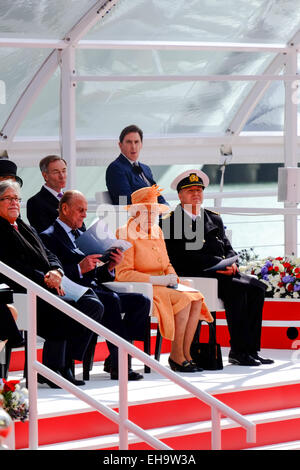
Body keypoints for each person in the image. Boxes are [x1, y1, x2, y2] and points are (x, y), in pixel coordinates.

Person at [160, 169, 274, 366]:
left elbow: (227, 248)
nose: (196, 194)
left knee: (257, 288)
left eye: (199, 190)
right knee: (237, 290)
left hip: (222, 272)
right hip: (195, 276)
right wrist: (216, 265)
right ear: (180, 195)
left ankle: (251, 349)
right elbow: (180, 257)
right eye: (190, 190)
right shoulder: (170, 221)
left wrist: (232, 264)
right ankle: (238, 351)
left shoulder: (214, 218)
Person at [0, 180, 105, 388]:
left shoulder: (23, 225)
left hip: (48, 282)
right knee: (66, 312)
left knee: (92, 305)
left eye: (16, 199)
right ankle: (54, 368)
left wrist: (56, 270)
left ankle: (61, 364)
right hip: (23, 289)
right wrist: (45, 278)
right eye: (8, 199)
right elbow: (13, 266)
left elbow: (48, 253)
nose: (14, 203)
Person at [40, 190, 151, 381]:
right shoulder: (48, 236)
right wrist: (78, 268)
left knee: (141, 301)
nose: (84, 214)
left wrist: (110, 266)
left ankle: (118, 356)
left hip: (95, 289)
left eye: (86, 210)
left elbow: (96, 274)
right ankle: (120, 363)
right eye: (80, 210)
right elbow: (52, 272)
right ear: (64, 209)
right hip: (74, 293)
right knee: (111, 300)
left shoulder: (84, 234)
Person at [115, 185, 213, 373]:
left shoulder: (157, 231)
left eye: (154, 211)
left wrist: (172, 277)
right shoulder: (125, 232)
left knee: (196, 297)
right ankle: (176, 356)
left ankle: (186, 353)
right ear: (136, 213)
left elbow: (167, 263)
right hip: (144, 286)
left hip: (164, 283)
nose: (153, 215)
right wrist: (158, 281)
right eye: (148, 211)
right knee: (184, 299)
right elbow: (124, 273)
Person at [106, 124, 168, 205]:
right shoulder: (116, 168)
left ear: (141, 145)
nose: (133, 147)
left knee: (183, 213)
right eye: (129, 142)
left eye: (136, 142)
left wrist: (166, 207)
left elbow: (158, 195)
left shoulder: (146, 168)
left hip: (156, 213)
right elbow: (124, 202)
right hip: (138, 215)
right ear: (120, 145)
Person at [26, 155, 68, 233]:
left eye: (64, 171)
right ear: (45, 176)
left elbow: (82, 228)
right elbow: (46, 235)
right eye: (56, 172)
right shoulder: (35, 202)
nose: (62, 176)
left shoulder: (70, 199)